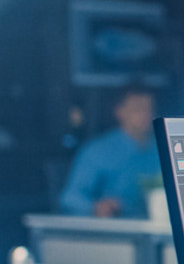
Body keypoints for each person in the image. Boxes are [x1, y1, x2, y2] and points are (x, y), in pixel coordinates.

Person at [59, 86, 161, 219]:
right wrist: (96, 207)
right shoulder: (97, 151)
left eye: (149, 108)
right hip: (114, 233)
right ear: (120, 111)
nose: (146, 114)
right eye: (138, 109)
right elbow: (70, 198)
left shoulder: (163, 150)